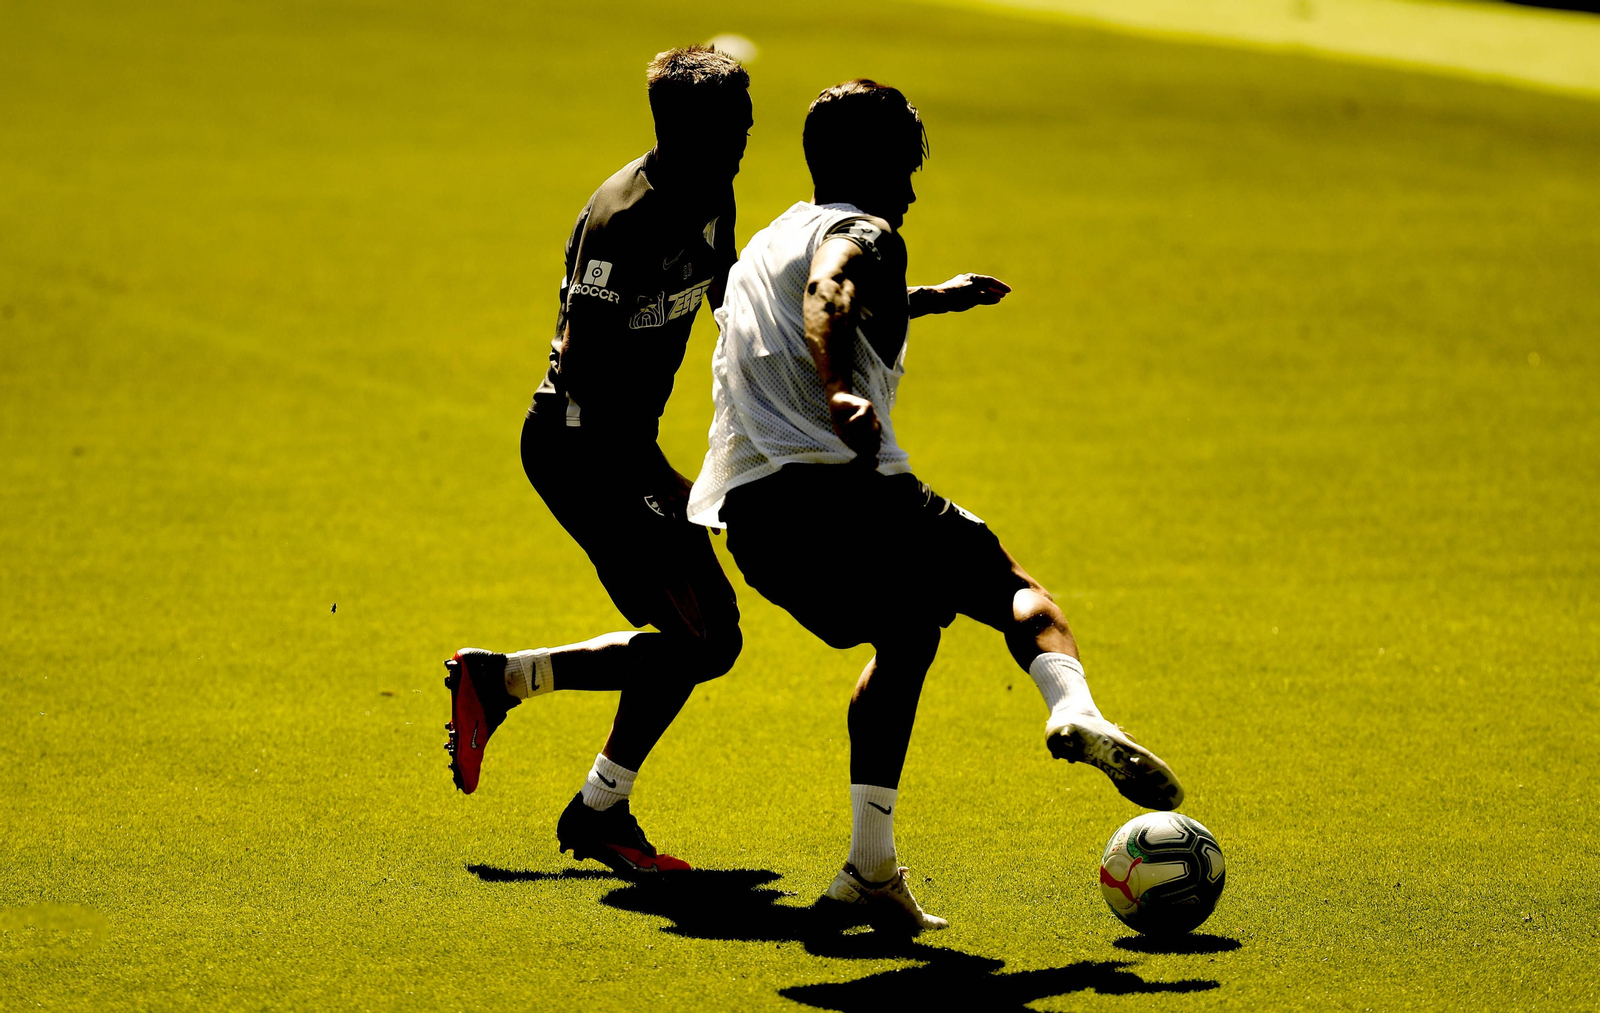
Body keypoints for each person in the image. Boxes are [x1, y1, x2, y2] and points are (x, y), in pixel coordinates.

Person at [686, 80, 1184, 931]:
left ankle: (869, 870)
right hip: (847, 493)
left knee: (910, 631)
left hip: (758, 525)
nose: (913, 192)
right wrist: (841, 388)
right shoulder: (863, 234)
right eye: (907, 169)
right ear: (873, 165)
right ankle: (1075, 709)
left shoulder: (769, 239)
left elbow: (794, 299)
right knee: (1012, 588)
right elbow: (831, 289)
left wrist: (932, 300)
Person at [443, 46, 752, 875]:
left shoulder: (713, 191)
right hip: (580, 447)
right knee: (701, 633)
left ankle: (502, 684)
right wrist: (667, 491)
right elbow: (582, 374)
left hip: (626, 449)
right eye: (735, 124)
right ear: (688, 132)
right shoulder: (626, 220)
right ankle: (598, 808)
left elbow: (737, 308)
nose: (750, 135)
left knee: (709, 640)